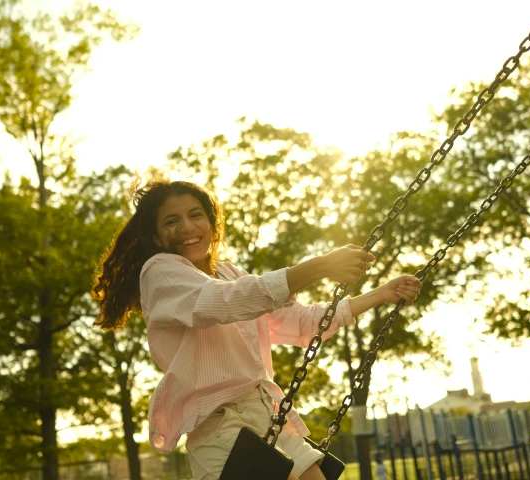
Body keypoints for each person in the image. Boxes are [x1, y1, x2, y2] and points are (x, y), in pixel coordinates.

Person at [92, 178, 422, 480]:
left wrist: (381, 294)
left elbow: (302, 322)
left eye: (196, 215)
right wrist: (320, 266)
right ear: (155, 236)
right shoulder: (160, 273)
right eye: (171, 221)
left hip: (268, 413)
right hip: (221, 426)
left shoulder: (229, 272)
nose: (186, 227)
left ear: (211, 222)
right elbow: (224, 302)